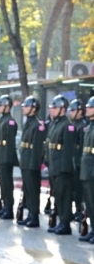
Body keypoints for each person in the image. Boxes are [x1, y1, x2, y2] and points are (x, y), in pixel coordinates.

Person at [46, 94, 77, 235]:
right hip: (54, 166)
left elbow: (68, 150)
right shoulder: (55, 124)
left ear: (62, 109)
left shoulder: (67, 126)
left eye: (55, 108)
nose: (52, 110)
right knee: (58, 195)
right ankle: (61, 221)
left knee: (64, 196)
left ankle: (65, 223)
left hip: (62, 168)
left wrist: (65, 169)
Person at [18, 96, 46, 228]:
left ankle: (34, 217)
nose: (24, 108)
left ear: (34, 109)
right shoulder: (28, 122)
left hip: (31, 163)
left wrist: (34, 166)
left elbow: (37, 148)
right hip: (25, 161)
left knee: (33, 190)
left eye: (27, 106)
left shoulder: (38, 125)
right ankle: (29, 214)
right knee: (28, 190)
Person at [0, 94, 19, 220]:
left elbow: (10, 144)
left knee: (7, 184)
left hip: (5, 157)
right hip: (0, 156)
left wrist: (8, 160)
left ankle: (9, 208)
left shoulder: (9, 122)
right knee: (2, 183)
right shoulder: (2, 120)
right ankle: (4, 206)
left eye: (0, 105)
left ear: (7, 107)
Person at [69, 99, 87, 223]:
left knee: (79, 190)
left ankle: (80, 211)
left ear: (80, 112)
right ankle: (76, 210)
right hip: (73, 161)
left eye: (73, 110)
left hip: (79, 162)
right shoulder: (73, 125)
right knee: (73, 189)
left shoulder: (83, 126)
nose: (71, 112)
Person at [79, 96, 94, 243]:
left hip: (92, 170)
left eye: (90, 107)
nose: (87, 109)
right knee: (89, 203)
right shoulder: (89, 127)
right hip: (86, 170)